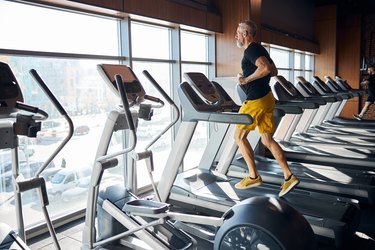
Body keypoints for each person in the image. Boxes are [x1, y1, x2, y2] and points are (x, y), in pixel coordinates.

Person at [233, 20, 299, 197]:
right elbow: (274, 71)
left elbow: (266, 68)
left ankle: (253, 176)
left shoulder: (251, 49)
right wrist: (249, 75)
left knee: (238, 136)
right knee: (267, 140)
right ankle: (289, 176)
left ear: (246, 34)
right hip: (267, 97)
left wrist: (246, 80)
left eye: (238, 32)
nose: (236, 35)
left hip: (256, 100)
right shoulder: (260, 49)